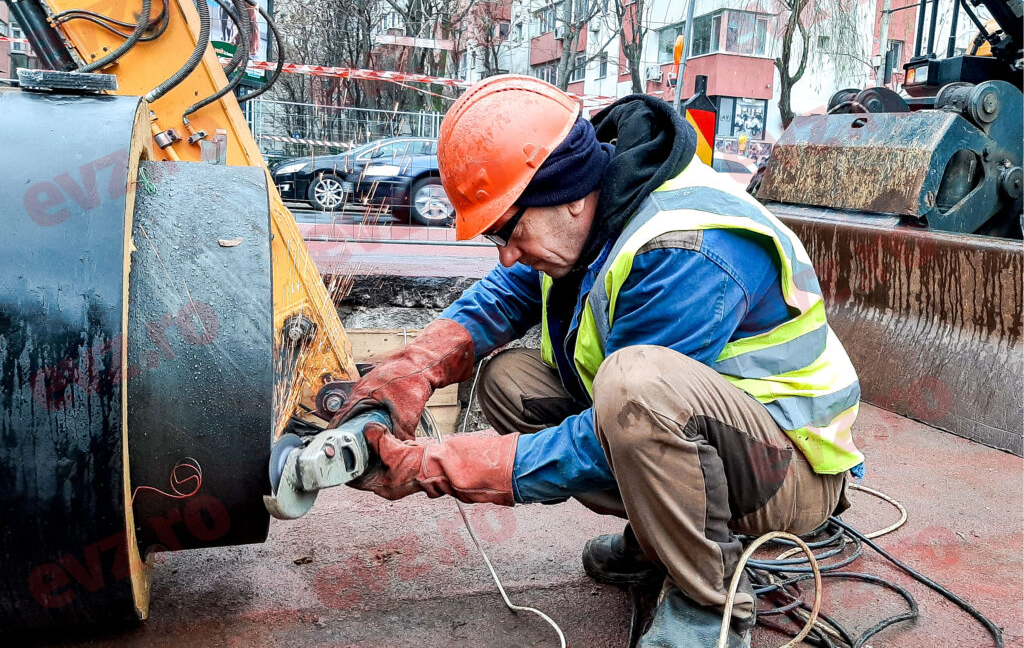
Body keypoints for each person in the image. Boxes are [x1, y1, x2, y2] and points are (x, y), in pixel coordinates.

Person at [329, 75, 864, 647]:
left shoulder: (684, 248)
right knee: (509, 381)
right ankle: (661, 538)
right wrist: (418, 367)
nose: (507, 252)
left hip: (789, 472)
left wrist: (439, 465)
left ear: (570, 196)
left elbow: (605, 433)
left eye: (509, 231)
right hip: (719, 444)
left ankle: (712, 602)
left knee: (635, 386)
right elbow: (506, 292)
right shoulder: (591, 207)